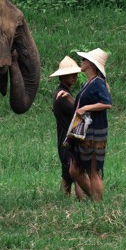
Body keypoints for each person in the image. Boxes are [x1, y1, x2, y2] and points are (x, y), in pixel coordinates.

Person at [69, 48, 113, 201]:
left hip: (95, 132)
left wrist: (87, 108)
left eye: (84, 60)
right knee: (75, 169)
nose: (81, 61)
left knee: (93, 170)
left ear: (92, 65)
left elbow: (107, 103)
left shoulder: (98, 84)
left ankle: (97, 203)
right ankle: (92, 199)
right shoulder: (88, 83)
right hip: (85, 131)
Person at [49, 56, 82, 197]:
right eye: (71, 74)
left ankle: (63, 202)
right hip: (68, 141)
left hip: (63, 139)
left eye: (75, 73)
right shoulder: (63, 96)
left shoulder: (63, 92)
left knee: (67, 175)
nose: (74, 76)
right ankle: (84, 202)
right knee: (77, 174)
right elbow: (79, 112)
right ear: (63, 76)